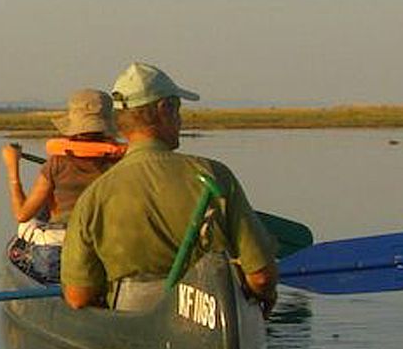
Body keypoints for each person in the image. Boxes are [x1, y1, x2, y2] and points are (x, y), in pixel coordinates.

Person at [60, 63, 279, 311]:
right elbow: (261, 277)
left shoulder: (93, 196)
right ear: (164, 109)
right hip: (213, 314)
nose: (180, 120)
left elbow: (78, 296)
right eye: (177, 109)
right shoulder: (214, 175)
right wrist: (264, 297)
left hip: (131, 321)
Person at [1, 89, 124, 282]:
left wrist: (12, 168)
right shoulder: (121, 164)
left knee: (30, 222)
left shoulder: (56, 164)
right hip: (106, 253)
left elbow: (22, 213)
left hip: (56, 255)